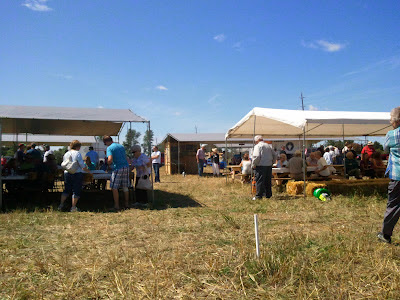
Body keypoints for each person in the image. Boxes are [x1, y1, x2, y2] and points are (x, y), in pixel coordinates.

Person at [378, 106, 400, 244]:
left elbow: (385, 149)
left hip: (397, 175)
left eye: (391, 120)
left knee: (393, 205)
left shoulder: (391, 134)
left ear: (396, 120)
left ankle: (385, 235)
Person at [58, 140, 88, 212]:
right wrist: (87, 170)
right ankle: (73, 207)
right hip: (76, 173)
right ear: (78, 146)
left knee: (66, 189)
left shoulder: (66, 153)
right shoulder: (77, 153)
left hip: (67, 173)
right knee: (76, 190)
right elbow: (82, 165)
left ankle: (61, 205)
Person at [103, 135, 130, 211]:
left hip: (118, 168)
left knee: (114, 187)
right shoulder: (121, 146)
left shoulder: (109, 148)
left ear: (106, 142)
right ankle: (127, 204)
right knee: (125, 187)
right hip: (126, 167)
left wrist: (107, 164)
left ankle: (117, 206)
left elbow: (110, 159)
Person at [252, 135, 277, 200]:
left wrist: (254, 164)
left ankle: (259, 196)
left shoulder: (257, 146)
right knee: (267, 181)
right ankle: (268, 195)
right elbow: (275, 155)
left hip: (260, 166)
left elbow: (256, 156)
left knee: (259, 181)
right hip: (268, 166)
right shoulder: (268, 146)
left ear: (256, 141)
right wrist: (272, 162)